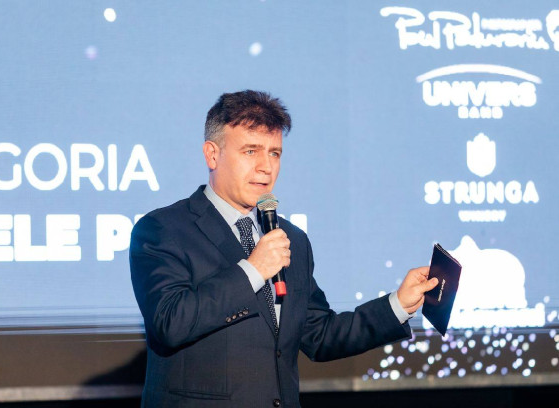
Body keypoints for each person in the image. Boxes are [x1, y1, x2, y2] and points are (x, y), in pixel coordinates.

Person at [129, 90, 438, 408]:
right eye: (251, 151)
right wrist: (253, 270)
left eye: (274, 153)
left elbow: (320, 335)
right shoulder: (164, 229)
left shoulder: (290, 238)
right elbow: (170, 323)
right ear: (212, 155)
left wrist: (398, 304)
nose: (266, 166)